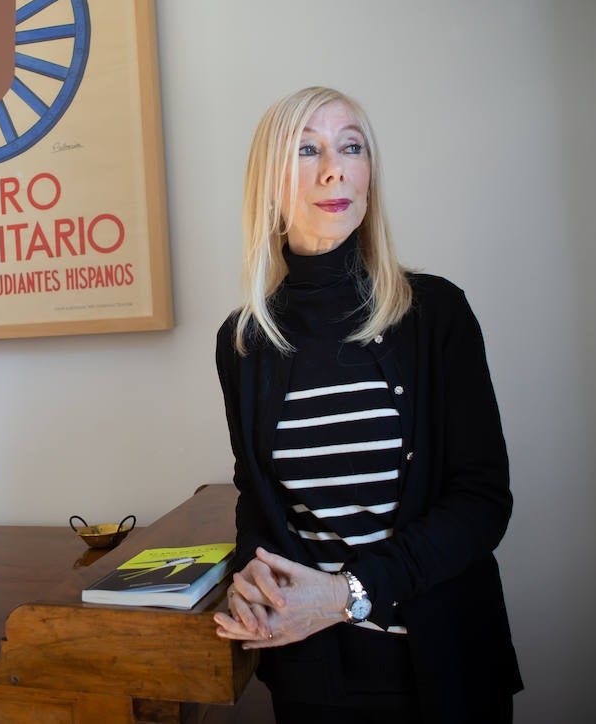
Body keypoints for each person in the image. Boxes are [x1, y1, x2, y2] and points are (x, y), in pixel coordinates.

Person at [213, 87, 522, 723]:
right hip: (314, 676)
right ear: (269, 183)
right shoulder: (243, 342)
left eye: (351, 147)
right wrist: (251, 574)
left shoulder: (436, 313)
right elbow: (260, 500)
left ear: (368, 173)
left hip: (448, 670)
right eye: (307, 149)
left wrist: (348, 594)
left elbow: (482, 502)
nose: (335, 167)